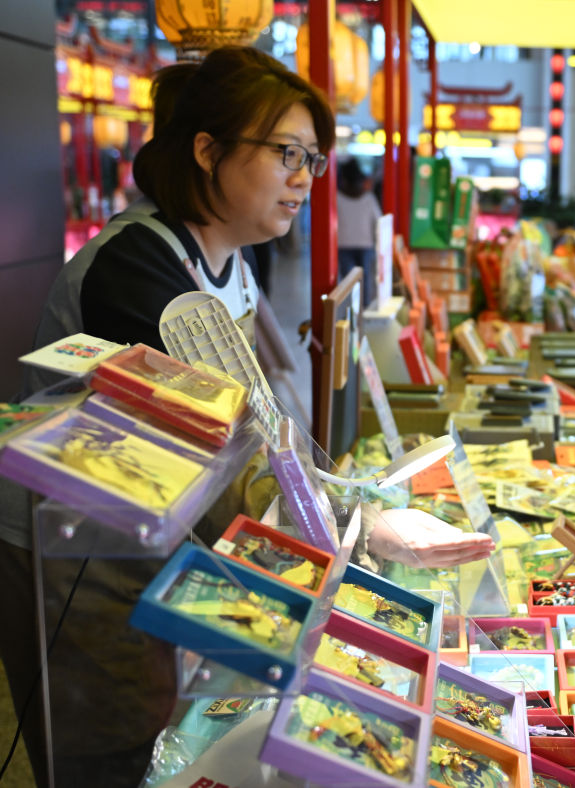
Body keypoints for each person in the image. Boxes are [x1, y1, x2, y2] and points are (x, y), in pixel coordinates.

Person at [0, 46, 490, 787]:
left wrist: (348, 514)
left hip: (153, 542)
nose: (303, 178)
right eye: (286, 152)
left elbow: (261, 423)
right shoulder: (140, 270)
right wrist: (363, 529)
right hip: (76, 562)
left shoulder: (229, 256)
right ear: (207, 151)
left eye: (313, 159)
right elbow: (240, 449)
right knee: (113, 748)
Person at [336, 157, 382, 308]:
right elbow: (378, 221)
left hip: (343, 244)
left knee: (347, 283)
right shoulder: (368, 197)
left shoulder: (337, 197)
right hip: (365, 244)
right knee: (365, 280)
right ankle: (364, 310)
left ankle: (349, 311)